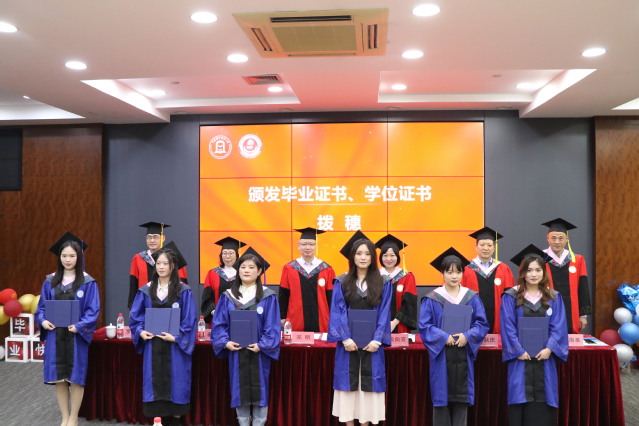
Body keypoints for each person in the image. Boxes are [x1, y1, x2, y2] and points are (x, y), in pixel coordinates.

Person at [34, 232, 100, 426]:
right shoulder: (50, 281)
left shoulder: (88, 282)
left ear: (79, 257)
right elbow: (41, 309)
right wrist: (43, 321)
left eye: (72, 255)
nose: (68, 259)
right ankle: (64, 416)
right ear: (59, 257)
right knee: (59, 378)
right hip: (55, 336)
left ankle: (74, 417)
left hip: (75, 337)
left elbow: (93, 310)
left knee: (76, 378)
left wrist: (79, 326)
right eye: (64, 255)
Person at [419, 247, 489, 426]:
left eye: (458, 272)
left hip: (463, 353)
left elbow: (481, 324)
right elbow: (424, 326)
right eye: (449, 272)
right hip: (442, 354)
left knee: (461, 400)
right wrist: (443, 337)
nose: (454, 276)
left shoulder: (471, 297)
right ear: (442, 273)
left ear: (463, 273)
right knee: (441, 400)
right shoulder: (432, 298)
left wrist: (468, 335)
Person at [211, 248, 280, 426]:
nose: (246, 270)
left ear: (259, 271)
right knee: (239, 389)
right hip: (236, 352)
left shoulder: (268, 296)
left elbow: (272, 326)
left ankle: (259, 423)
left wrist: (262, 345)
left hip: (259, 353)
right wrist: (225, 342)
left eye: (251, 267)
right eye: (243, 267)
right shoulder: (228, 296)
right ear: (238, 270)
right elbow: (219, 324)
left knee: (260, 390)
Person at [501, 244, 568, 426]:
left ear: (544, 272)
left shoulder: (554, 297)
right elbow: (507, 327)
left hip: (545, 359)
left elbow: (559, 327)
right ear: (522, 273)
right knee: (519, 396)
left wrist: (550, 349)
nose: (533, 274)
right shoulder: (510, 296)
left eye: (538, 270)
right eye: (529, 270)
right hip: (520, 359)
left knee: (544, 396)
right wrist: (517, 350)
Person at [328, 233, 392, 426]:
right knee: (348, 388)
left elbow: (384, 313)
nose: (363, 257)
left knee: (368, 389)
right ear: (352, 256)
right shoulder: (342, 281)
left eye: (367, 253)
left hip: (373, 346)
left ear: (373, 257)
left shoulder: (383, 282)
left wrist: (377, 340)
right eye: (358, 253)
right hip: (348, 346)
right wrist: (346, 339)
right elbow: (337, 312)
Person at [129, 245, 196, 426]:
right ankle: (158, 421)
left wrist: (176, 337)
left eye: (166, 263)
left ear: (173, 266)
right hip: (153, 346)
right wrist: (141, 331)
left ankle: (175, 421)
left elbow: (189, 320)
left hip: (175, 347)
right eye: (158, 263)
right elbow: (135, 318)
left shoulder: (183, 291)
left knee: (177, 383)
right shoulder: (146, 290)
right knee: (155, 382)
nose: (161, 267)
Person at [279, 227, 336, 332]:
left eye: (311, 244)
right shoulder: (289, 268)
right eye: (304, 244)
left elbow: (331, 296)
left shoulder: (326, 269)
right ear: (298, 246)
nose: (307, 247)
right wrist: (282, 316)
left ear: (316, 246)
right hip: (296, 318)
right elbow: (283, 294)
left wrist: (334, 317)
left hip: (321, 319)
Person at [541, 218, 591, 333]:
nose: (557, 242)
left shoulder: (577, 259)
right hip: (546, 309)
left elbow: (583, 288)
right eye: (553, 238)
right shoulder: (540, 258)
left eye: (561, 238)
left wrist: (583, 315)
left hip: (572, 313)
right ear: (547, 238)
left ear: (567, 239)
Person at [462, 226, 514, 333]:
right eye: (482, 245)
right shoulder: (465, 268)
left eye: (489, 245)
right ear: (476, 247)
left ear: (494, 248)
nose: (486, 248)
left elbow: (510, 300)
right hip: (471, 325)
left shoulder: (504, 269)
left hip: (498, 323)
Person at [128, 222, 188, 309]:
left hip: (170, 305)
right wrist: (133, 307)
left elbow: (182, 282)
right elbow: (133, 286)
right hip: (145, 304)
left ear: (163, 238)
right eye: (149, 237)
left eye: (155, 237)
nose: (152, 240)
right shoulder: (138, 259)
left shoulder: (173, 257)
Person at [375, 234, 417, 333]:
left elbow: (409, 303)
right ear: (381, 257)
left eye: (392, 255)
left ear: (397, 256)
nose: (388, 259)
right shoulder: (375, 276)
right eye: (385, 255)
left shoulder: (407, 276)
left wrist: (394, 323)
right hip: (377, 325)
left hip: (400, 325)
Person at [201, 236, 247, 323]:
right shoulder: (213, 273)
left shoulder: (243, 273)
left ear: (237, 255)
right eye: (224, 253)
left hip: (239, 318)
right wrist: (213, 311)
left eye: (231, 253)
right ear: (221, 255)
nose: (227, 256)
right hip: (218, 318)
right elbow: (207, 297)